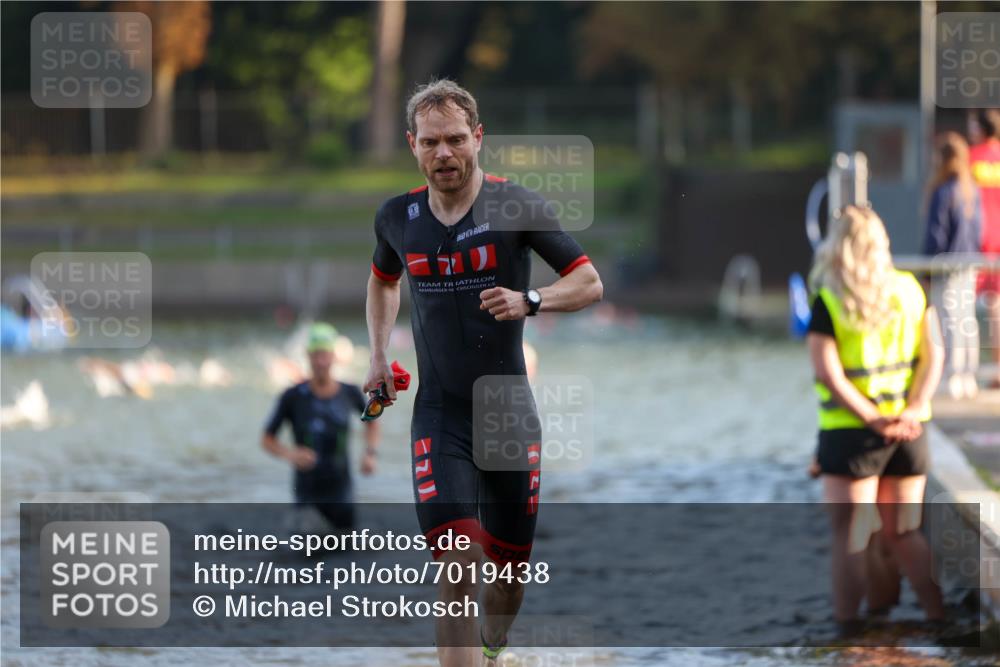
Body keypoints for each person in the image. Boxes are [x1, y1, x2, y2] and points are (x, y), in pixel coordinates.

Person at [364, 79, 602, 667]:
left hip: (508, 418)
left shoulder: (513, 205)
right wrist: (375, 355)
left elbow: (589, 282)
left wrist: (533, 300)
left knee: (509, 577)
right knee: (457, 563)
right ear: (412, 146)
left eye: (453, 140)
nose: (443, 153)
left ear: (477, 138)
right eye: (429, 143)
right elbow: (381, 280)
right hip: (439, 416)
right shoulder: (398, 217)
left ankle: (495, 652)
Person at [807, 206, 945, 627]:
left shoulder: (831, 298)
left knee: (850, 539)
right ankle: (941, 618)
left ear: (838, 246)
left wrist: (871, 419)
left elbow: (827, 373)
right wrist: (915, 407)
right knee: (905, 533)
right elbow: (934, 353)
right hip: (907, 432)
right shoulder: (909, 288)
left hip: (852, 436)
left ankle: (848, 632)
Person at [262, 323, 379, 532]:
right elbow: (267, 439)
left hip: (342, 493)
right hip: (307, 495)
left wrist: (370, 453)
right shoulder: (293, 396)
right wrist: (291, 454)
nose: (320, 362)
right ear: (307, 356)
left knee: (347, 555)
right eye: (315, 355)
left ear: (334, 357)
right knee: (307, 552)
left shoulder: (349, 392)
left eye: (324, 355)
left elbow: (372, 420)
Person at [923, 131, 983, 399]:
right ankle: (968, 374)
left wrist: (927, 269)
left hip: (946, 266)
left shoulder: (944, 192)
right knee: (966, 319)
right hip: (968, 264)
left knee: (948, 320)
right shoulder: (972, 192)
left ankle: (950, 375)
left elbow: (936, 233)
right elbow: (979, 232)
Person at [968, 109, 1000, 388]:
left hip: (978, 241)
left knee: (962, 305)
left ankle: (965, 372)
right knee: (995, 306)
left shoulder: (970, 158)